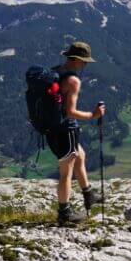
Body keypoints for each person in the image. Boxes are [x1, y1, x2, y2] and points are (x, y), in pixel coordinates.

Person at [48, 41, 106, 226]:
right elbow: (70, 111)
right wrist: (93, 115)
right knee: (66, 172)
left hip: (52, 128)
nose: (86, 65)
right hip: (66, 130)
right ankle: (64, 213)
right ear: (78, 60)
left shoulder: (55, 71)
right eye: (85, 61)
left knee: (80, 155)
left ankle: (88, 194)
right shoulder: (73, 80)